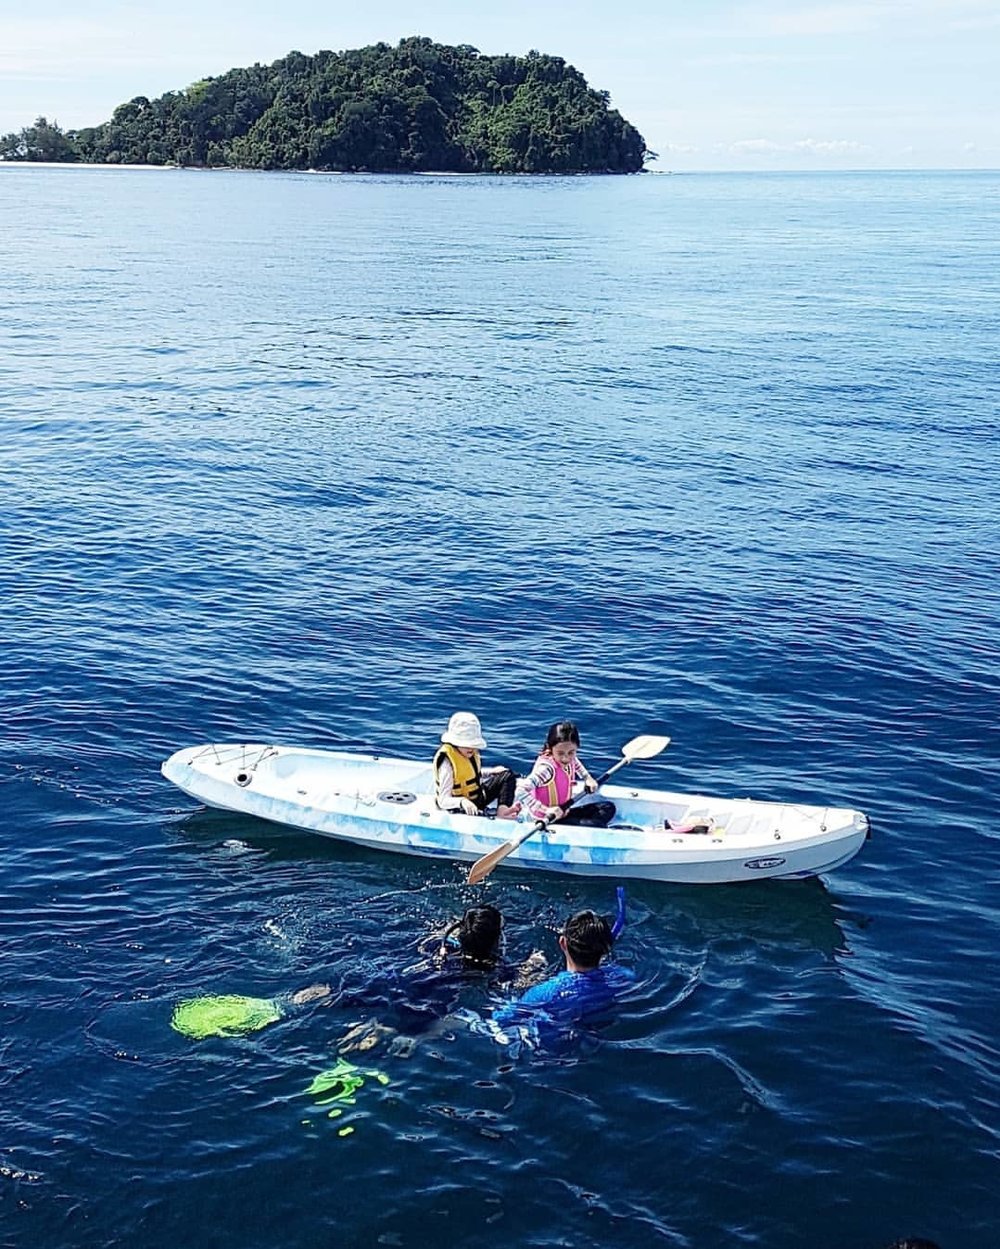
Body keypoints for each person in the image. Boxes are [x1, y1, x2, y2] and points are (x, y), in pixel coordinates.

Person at [491, 904, 633, 1035]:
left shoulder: (545, 993)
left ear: (563, 942)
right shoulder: (623, 977)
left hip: (553, 1053)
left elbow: (500, 1019)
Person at [513, 720, 616, 828]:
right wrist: (546, 810)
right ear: (550, 748)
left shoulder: (570, 758)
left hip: (564, 812)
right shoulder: (546, 770)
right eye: (560, 753)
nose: (566, 758)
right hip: (546, 821)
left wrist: (587, 778)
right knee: (595, 824)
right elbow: (520, 790)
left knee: (608, 807)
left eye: (571, 752)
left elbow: (576, 763)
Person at [433, 711, 519, 819]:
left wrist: (491, 772)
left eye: (473, 745)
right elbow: (443, 800)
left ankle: (503, 812)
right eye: (467, 744)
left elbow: (470, 775)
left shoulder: (470, 753)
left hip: (477, 798)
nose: (471, 748)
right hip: (458, 808)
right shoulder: (447, 763)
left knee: (507, 775)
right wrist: (462, 802)